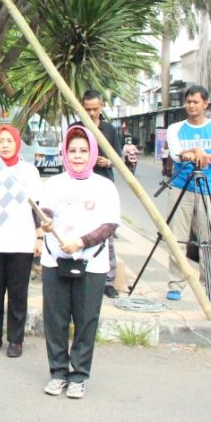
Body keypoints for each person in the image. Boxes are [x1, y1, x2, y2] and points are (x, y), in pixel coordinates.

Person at [39, 126, 119, 399]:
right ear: (65, 152)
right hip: (55, 259)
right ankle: (58, 373)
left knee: (85, 321)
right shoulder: (53, 183)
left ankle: (79, 375)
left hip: (92, 263)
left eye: (83, 150)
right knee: (56, 320)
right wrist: (44, 221)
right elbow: (44, 210)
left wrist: (82, 242)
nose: (77, 156)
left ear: (93, 153)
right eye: (72, 150)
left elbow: (109, 225)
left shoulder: (104, 186)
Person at [0, 125, 42, 358]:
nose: (5, 145)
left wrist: (38, 236)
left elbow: (36, 206)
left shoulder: (29, 172)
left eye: (9, 140)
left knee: (18, 293)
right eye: (1, 141)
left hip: (21, 240)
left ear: (17, 143)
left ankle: (16, 340)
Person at [164, 85, 211, 301]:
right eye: (188, 102)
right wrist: (196, 153)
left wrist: (200, 154)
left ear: (205, 104)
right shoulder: (176, 128)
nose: (191, 106)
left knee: (208, 239)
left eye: (196, 102)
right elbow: (175, 154)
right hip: (181, 186)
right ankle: (176, 284)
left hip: (209, 187)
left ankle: (209, 286)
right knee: (178, 238)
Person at [72, 90, 122, 299]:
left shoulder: (109, 130)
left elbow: (118, 158)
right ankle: (76, 271)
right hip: (79, 186)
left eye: (95, 109)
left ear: (102, 107)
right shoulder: (76, 129)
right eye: (88, 109)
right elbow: (68, 154)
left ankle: (108, 281)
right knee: (77, 230)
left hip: (103, 185)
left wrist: (108, 161)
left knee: (105, 233)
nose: (91, 113)